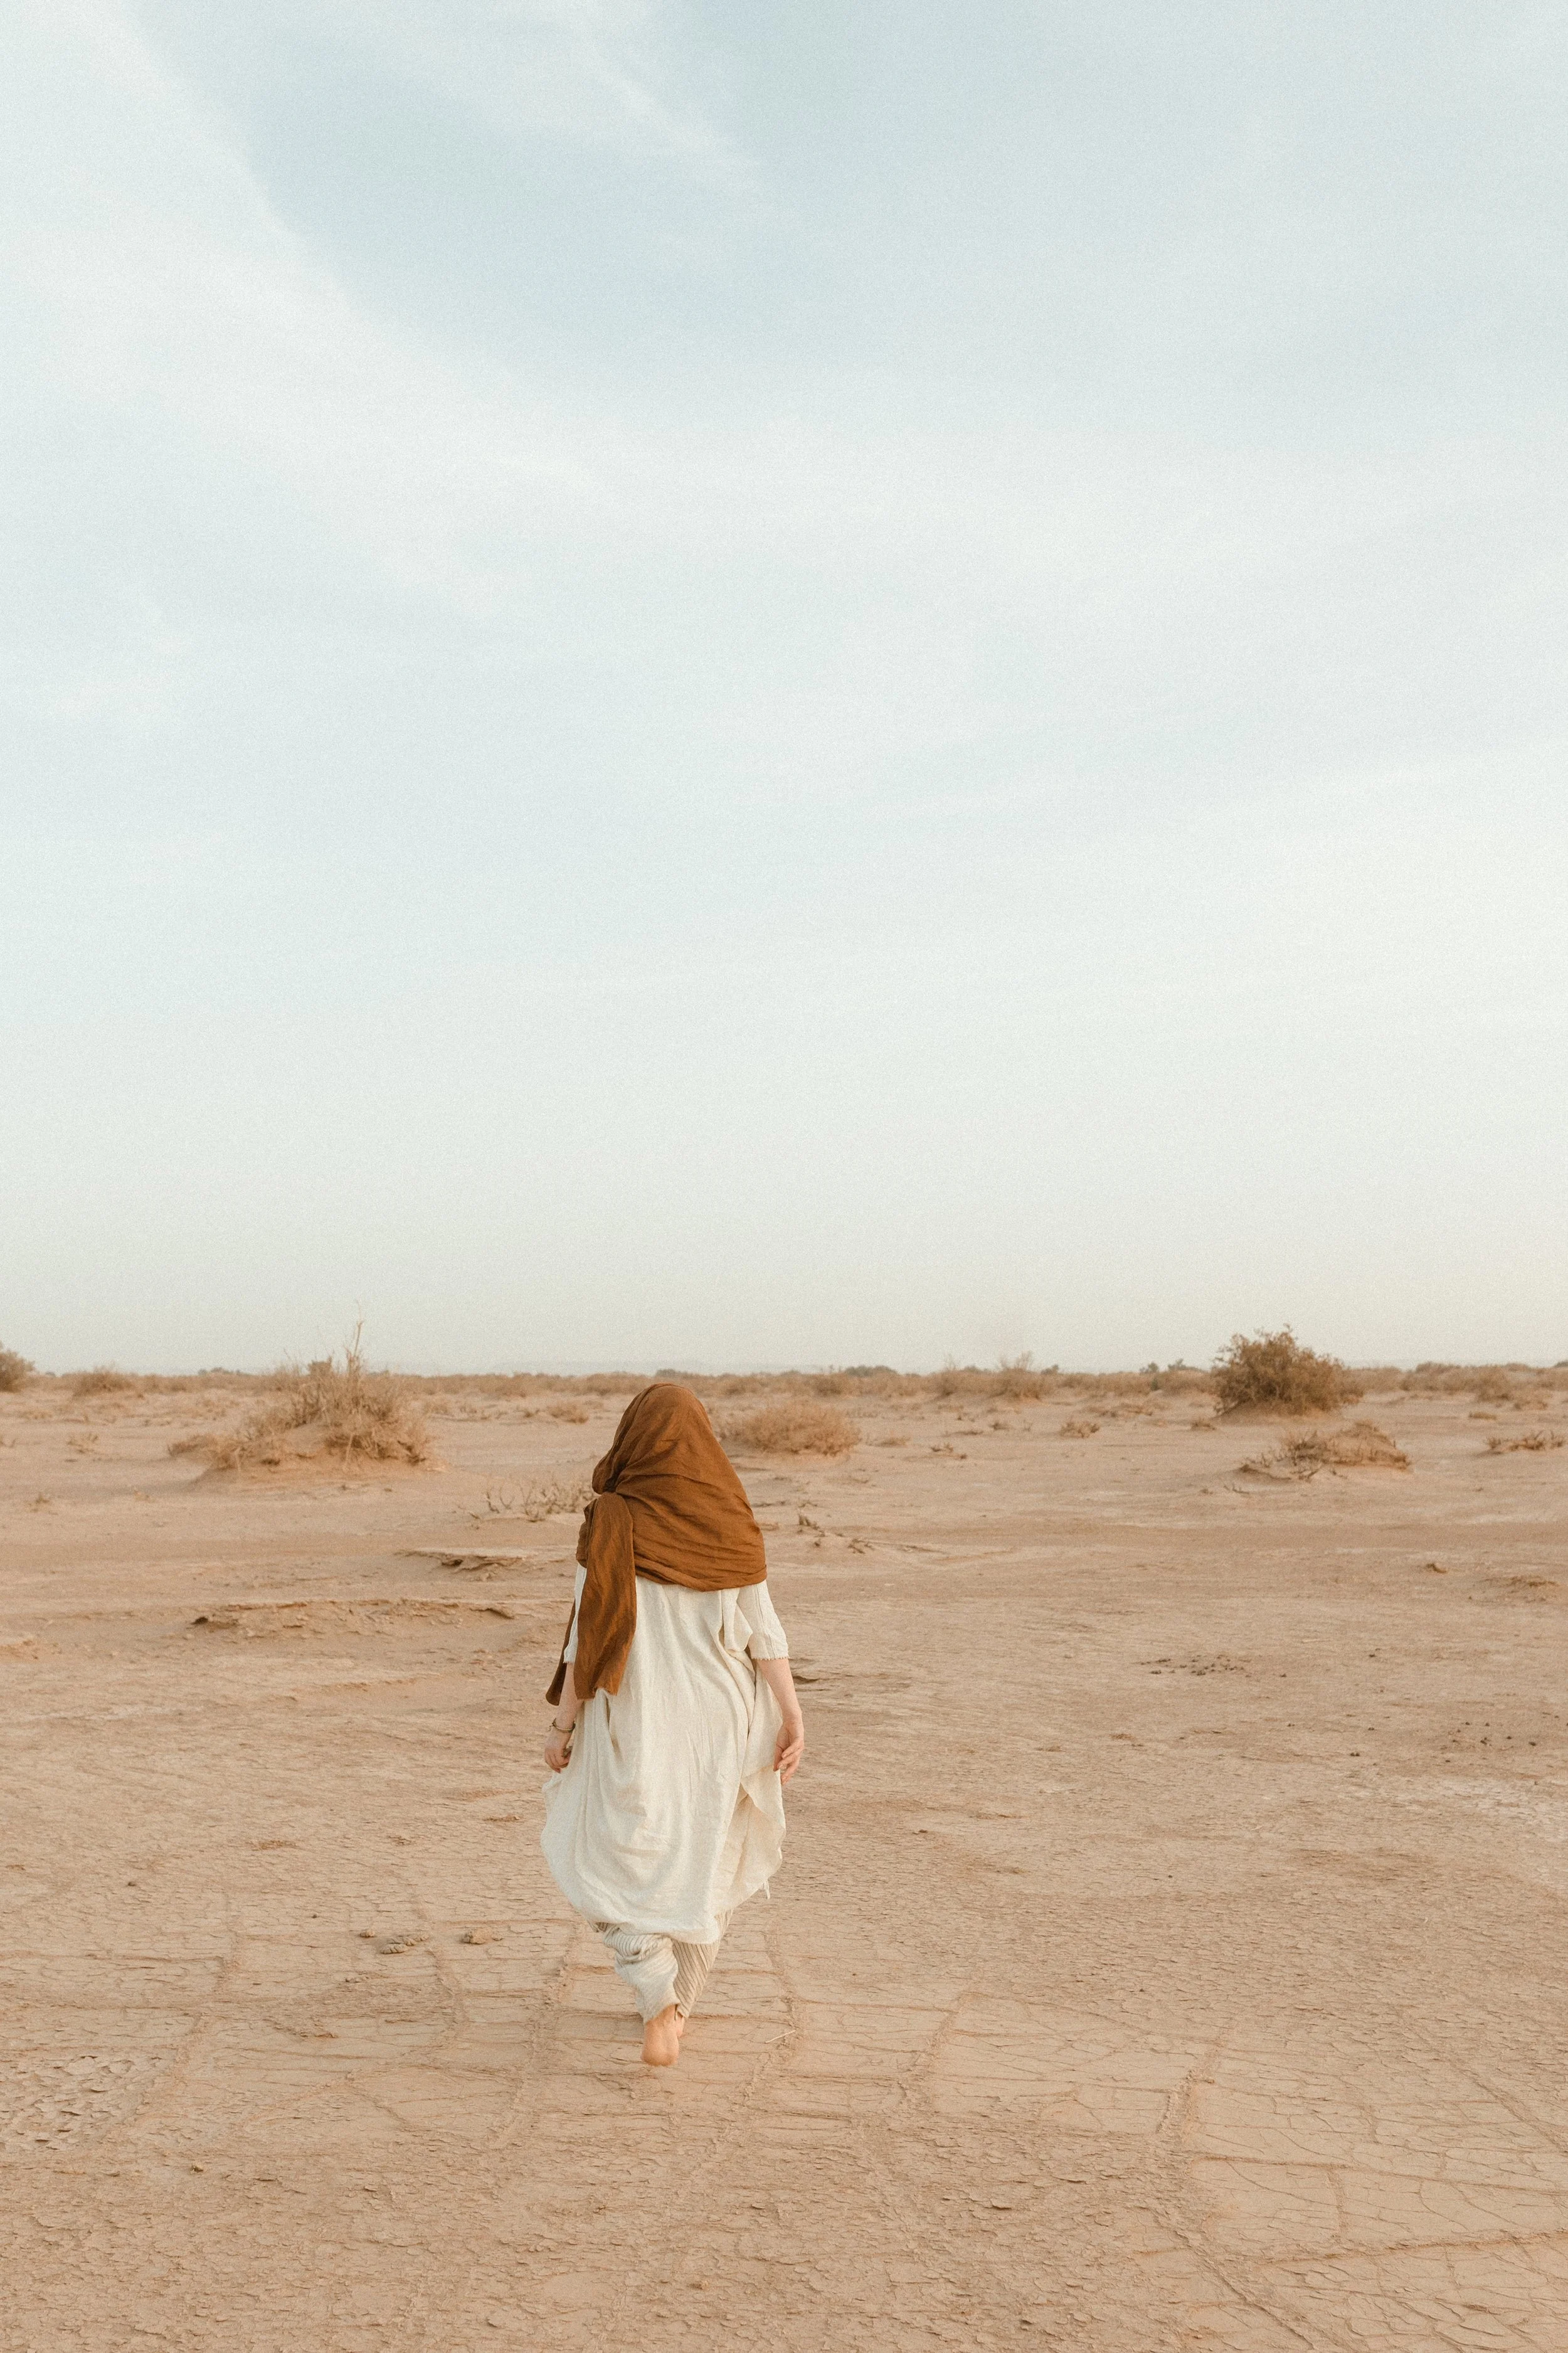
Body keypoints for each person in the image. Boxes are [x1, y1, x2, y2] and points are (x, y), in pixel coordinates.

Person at [539, 1383, 805, 2066]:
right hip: (725, 1716)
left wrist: (562, 1728)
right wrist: (792, 1714)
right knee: (705, 1857)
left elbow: (583, 1642)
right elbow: (763, 1633)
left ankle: (657, 1991)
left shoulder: (611, 1520)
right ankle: (678, 2006)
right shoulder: (730, 1517)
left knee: (603, 1851)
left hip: (635, 1712)